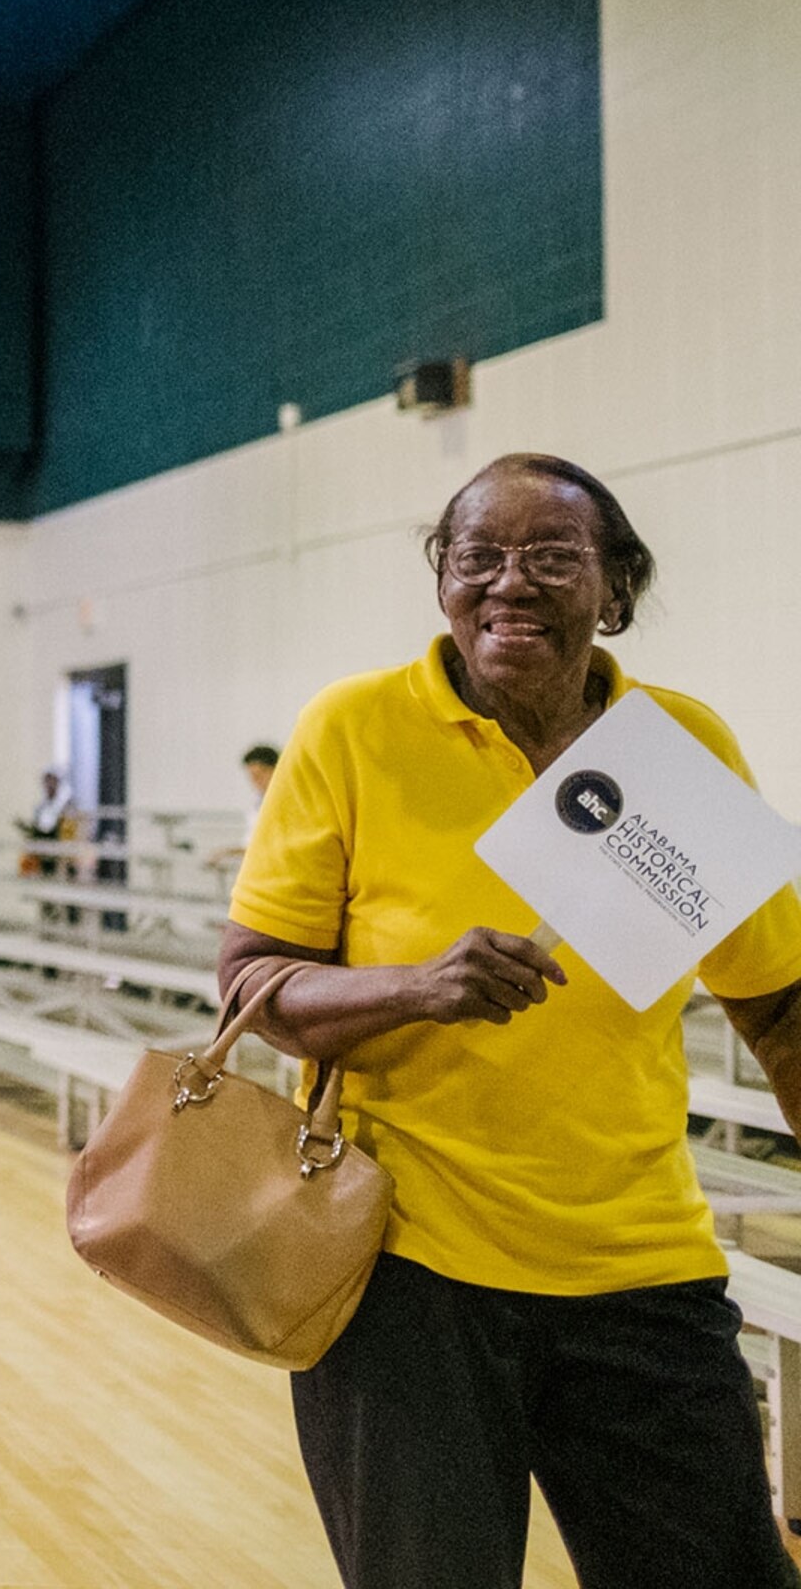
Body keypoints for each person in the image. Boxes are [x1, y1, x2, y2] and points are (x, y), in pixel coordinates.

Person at [223, 452, 801, 1589]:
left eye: (552, 557)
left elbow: (779, 999)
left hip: (640, 1264)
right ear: (443, 582)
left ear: (616, 590)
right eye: (476, 556)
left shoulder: (679, 750)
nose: (509, 583)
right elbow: (251, 982)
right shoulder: (353, 728)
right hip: (403, 1271)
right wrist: (417, 985)